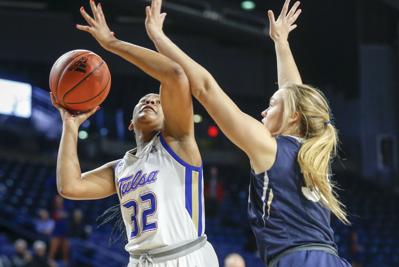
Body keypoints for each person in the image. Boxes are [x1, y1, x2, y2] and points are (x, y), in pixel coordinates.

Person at [144, 0, 352, 266]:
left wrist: (159, 38)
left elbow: (206, 88)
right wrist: (281, 43)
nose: (263, 112)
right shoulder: (314, 150)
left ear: (293, 116)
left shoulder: (270, 147)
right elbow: (293, 95)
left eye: (271, 105)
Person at [52, 1, 218, 266]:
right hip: (139, 261)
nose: (151, 102)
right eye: (144, 100)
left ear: (170, 119)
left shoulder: (177, 144)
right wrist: (70, 126)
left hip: (184, 257)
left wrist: (111, 44)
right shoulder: (120, 169)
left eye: (158, 101)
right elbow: (70, 186)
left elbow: (175, 74)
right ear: (130, 124)